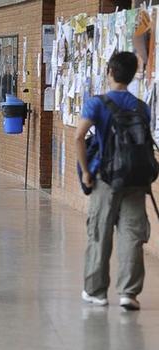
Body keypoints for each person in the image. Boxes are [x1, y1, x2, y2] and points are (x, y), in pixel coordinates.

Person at [75, 51, 151, 311]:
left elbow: (78, 137)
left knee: (100, 232)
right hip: (136, 179)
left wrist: (86, 171)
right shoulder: (142, 106)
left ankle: (96, 291)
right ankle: (129, 293)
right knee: (132, 235)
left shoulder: (97, 103)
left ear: (109, 71)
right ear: (132, 76)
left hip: (106, 178)